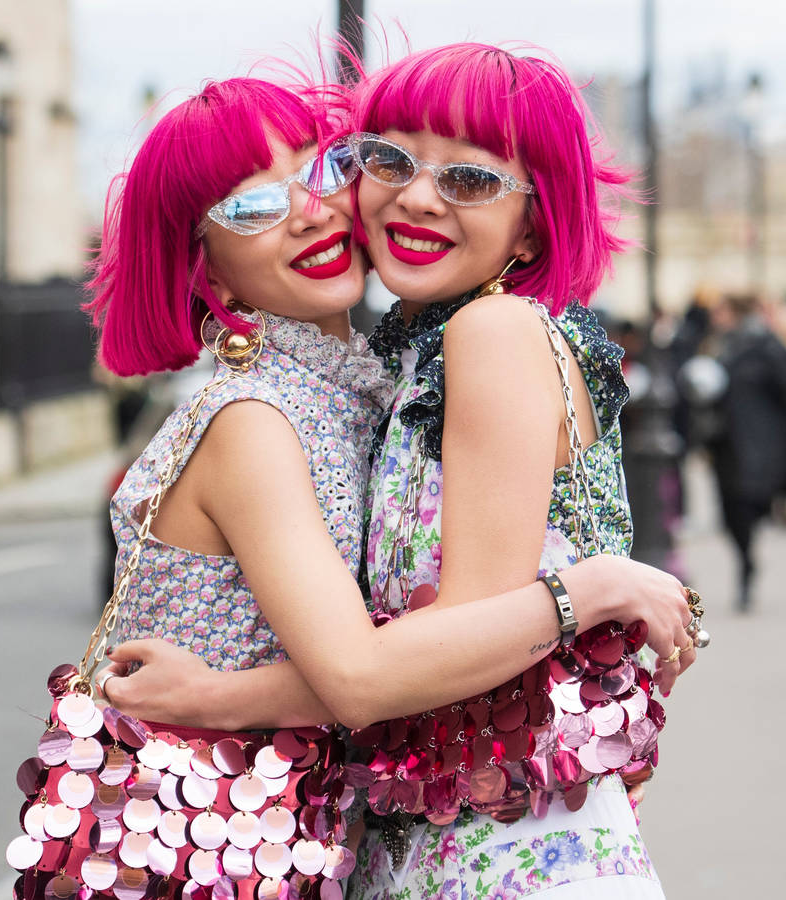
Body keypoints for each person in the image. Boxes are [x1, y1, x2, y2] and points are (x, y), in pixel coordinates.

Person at [93, 57, 697, 900]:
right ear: (210, 268)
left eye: (472, 179)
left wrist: (593, 588)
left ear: (531, 227)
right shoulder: (294, 405)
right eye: (387, 160)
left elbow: (442, 656)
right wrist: (594, 587)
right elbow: (377, 673)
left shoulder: (482, 335)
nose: (413, 197)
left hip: (501, 863)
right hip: (416, 851)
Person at [704, 292, 786, 610]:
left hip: (761, 447)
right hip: (726, 444)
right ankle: (747, 558)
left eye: (721, 310)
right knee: (731, 514)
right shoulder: (720, 347)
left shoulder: (768, 349)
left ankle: (747, 565)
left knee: (748, 505)